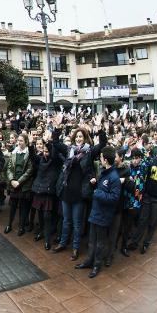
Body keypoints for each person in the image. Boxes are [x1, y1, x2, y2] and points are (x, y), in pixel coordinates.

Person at [52, 114, 107, 261]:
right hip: (66, 191)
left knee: (77, 223)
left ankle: (75, 248)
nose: (78, 139)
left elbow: (102, 145)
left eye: (81, 137)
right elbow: (56, 143)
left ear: (85, 138)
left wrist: (100, 129)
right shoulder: (69, 150)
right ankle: (63, 243)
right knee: (66, 220)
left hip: (80, 193)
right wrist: (57, 128)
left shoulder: (89, 153)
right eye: (77, 137)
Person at [75, 146, 121, 278]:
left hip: (104, 215)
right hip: (96, 212)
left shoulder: (114, 177)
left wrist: (98, 192)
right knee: (92, 240)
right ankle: (89, 261)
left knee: (100, 242)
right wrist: (95, 185)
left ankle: (97, 264)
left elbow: (113, 198)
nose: (99, 159)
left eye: (101, 157)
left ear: (105, 160)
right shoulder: (104, 172)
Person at [127, 139, 157, 254]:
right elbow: (144, 174)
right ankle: (134, 242)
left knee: (153, 222)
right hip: (148, 196)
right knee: (143, 220)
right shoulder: (152, 160)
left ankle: (146, 243)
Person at [4, 134, 34, 236]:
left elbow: (30, 170)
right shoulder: (14, 152)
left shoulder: (29, 153)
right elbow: (9, 168)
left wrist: (19, 181)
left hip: (24, 185)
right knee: (13, 206)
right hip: (14, 183)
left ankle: (21, 227)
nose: (19, 142)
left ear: (26, 142)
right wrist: (12, 179)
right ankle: (9, 224)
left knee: (23, 207)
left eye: (21, 141)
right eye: (18, 141)